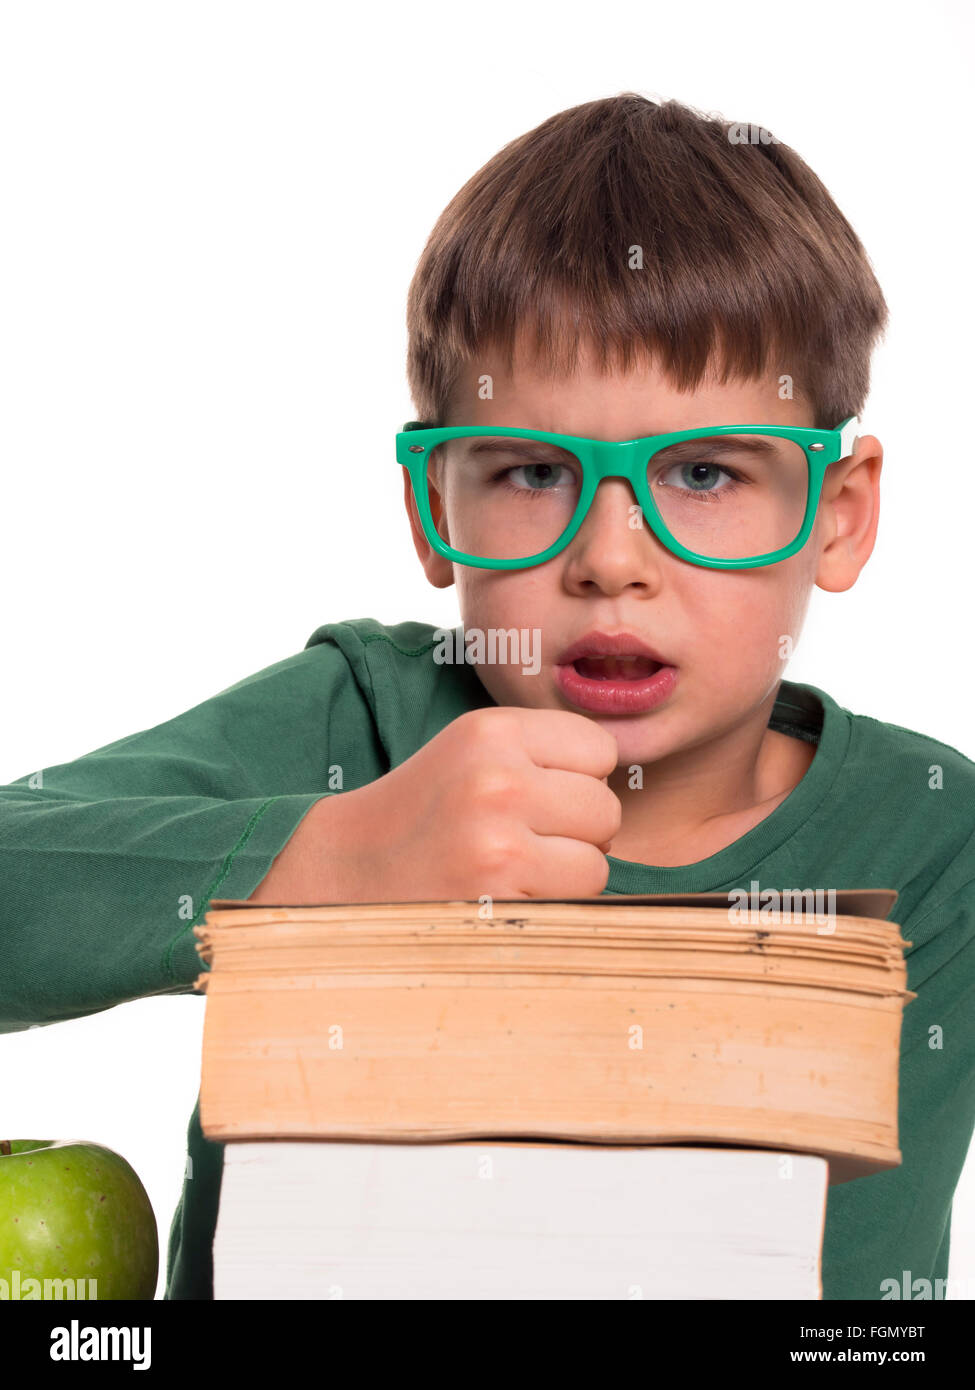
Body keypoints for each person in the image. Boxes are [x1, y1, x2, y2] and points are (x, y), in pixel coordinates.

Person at [2, 94, 972, 1302]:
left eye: (706, 472)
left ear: (837, 513)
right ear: (432, 512)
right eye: (529, 471)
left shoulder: (940, 838)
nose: (613, 556)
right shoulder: (352, 725)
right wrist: (333, 855)